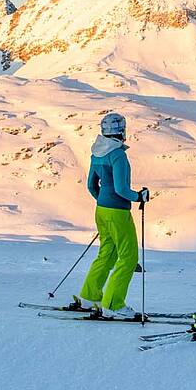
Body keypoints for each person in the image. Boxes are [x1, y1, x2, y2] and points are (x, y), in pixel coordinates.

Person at [69, 113, 149, 319]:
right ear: (122, 130)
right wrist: (139, 196)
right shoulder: (118, 155)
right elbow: (122, 189)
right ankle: (113, 304)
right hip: (118, 211)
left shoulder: (96, 153)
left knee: (107, 253)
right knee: (129, 257)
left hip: (101, 210)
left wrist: (103, 201)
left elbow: (91, 186)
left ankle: (89, 296)